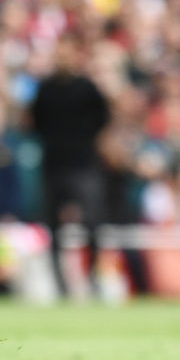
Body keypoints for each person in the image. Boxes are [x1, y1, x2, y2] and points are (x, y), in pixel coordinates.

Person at [28, 30, 112, 298]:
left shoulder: (88, 88)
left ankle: (93, 277)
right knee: (53, 227)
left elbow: (103, 119)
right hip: (55, 166)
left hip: (83, 165)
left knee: (93, 223)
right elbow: (36, 123)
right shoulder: (46, 89)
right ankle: (61, 284)